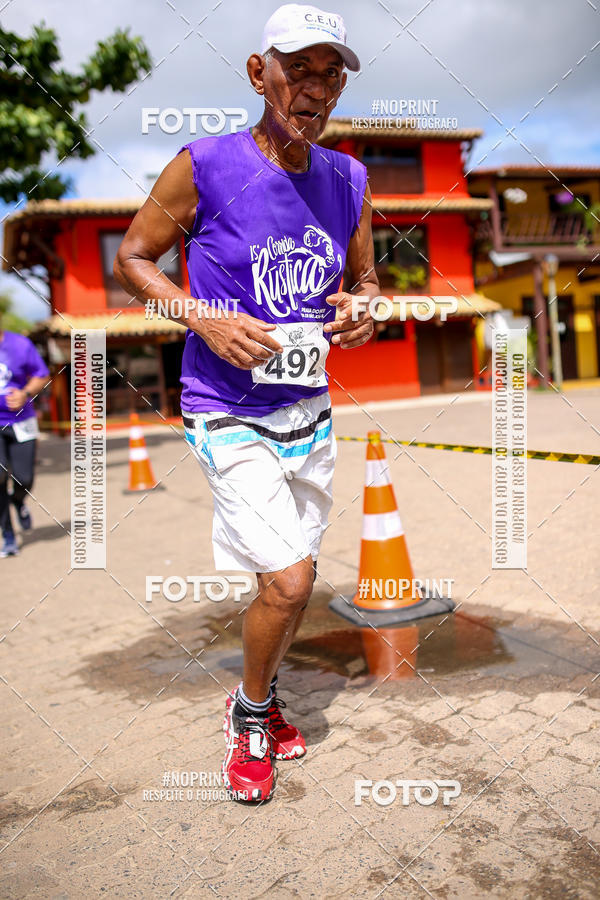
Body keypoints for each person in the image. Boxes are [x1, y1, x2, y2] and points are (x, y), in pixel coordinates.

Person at [114, 3, 378, 801]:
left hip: (309, 411)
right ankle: (252, 715)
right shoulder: (204, 165)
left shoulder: (349, 179)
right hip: (225, 407)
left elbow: (363, 283)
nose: (315, 87)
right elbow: (133, 258)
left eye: (330, 73)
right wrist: (201, 314)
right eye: (298, 68)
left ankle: (260, 695)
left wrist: (364, 306)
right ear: (258, 72)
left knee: (288, 575)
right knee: (292, 583)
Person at [0, 319, 49, 558]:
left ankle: (18, 500)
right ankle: (8, 536)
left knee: (24, 478)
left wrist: (26, 393)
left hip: (22, 421)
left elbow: (42, 374)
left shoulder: (20, 344)